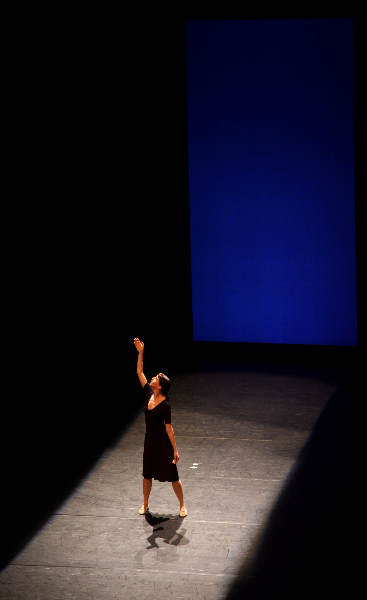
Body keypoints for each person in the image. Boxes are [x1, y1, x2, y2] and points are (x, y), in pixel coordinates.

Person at [134, 337, 188, 517]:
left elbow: (169, 428)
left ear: (160, 386)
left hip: (163, 445)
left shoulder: (165, 405)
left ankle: (182, 505)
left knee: (173, 476)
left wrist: (175, 449)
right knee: (146, 475)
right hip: (149, 442)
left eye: (156, 378)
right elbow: (140, 371)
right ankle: (145, 503)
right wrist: (141, 352)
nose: (152, 377)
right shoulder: (149, 393)